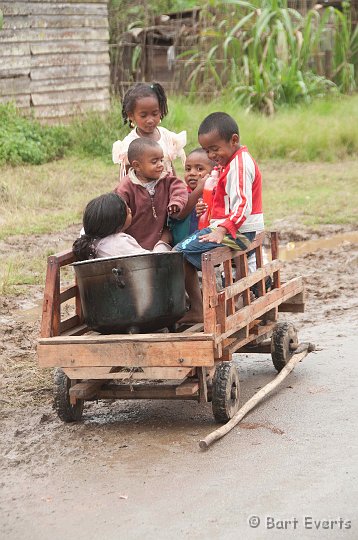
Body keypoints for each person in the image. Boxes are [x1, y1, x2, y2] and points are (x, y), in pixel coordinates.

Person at [175, 112, 264, 323]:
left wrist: (222, 229)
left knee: (177, 254)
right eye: (207, 150)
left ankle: (198, 308)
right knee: (183, 253)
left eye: (215, 149)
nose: (211, 155)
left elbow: (242, 205)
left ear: (233, 140)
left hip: (238, 232)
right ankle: (204, 303)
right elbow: (225, 199)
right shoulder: (229, 162)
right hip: (231, 228)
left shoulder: (239, 165)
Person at [115, 138, 188, 250]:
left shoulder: (166, 179)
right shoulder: (126, 186)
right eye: (154, 162)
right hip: (134, 240)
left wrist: (176, 202)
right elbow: (117, 207)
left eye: (161, 160)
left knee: (161, 255)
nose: (160, 165)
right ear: (137, 166)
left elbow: (179, 188)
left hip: (161, 237)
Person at [112, 82, 186, 181]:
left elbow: (170, 166)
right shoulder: (129, 144)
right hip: (142, 193)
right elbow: (125, 177)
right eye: (143, 115)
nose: (150, 120)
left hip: (167, 191)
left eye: (155, 113)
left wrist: (177, 188)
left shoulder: (166, 136)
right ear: (131, 115)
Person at [72, 193, 170, 261]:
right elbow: (152, 260)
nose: (130, 210)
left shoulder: (86, 234)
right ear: (116, 224)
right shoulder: (118, 243)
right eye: (127, 211)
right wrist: (164, 241)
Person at [169, 148, 215, 245]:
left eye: (199, 169)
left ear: (213, 173)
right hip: (179, 246)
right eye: (188, 169)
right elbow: (178, 215)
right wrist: (199, 189)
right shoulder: (181, 192)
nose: (192, 173)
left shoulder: (215, 194)